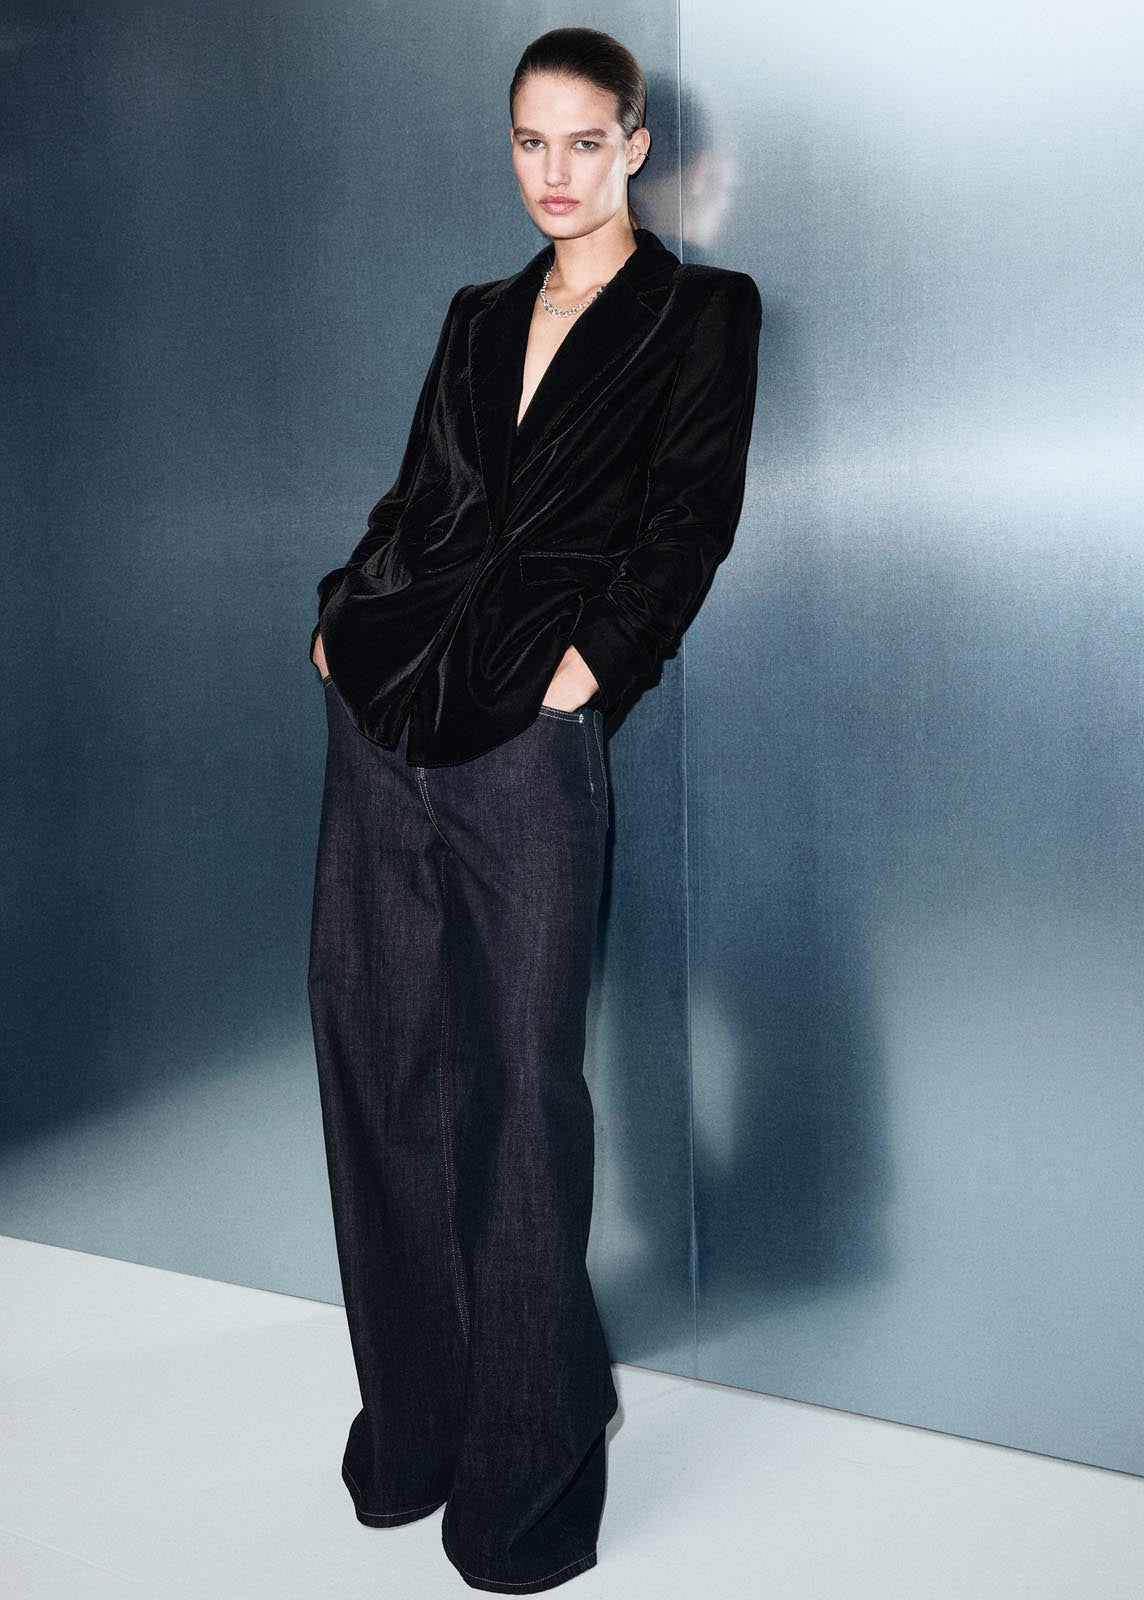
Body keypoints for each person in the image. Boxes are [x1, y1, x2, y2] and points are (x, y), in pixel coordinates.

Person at [306, 26, 762, 1594]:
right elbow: (413, 501)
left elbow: (689, 523)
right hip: (383, 717)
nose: (553, 172)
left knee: (518, 1101)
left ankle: (529, 1475)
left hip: (527, 737)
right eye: (528, 141)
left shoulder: (701, 313)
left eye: (582, 141)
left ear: (634, 144)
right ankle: (418, 1426)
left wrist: (589, 672)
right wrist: (338, 617)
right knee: (379, 1072)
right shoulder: (475, 313)